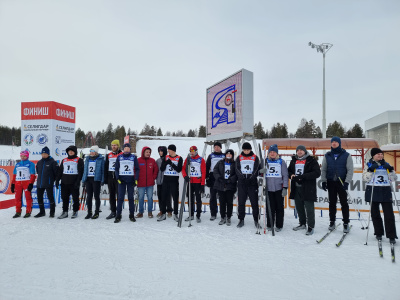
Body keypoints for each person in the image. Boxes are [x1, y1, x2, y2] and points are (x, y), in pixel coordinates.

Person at [363, 148, 397, 244]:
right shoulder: (368, 164)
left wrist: (390, 170)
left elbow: (394, 178)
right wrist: (370, 170)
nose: (380, 156)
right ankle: (378, 233)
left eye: (381, 154)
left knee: (389, 214)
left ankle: (391, 235)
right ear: (373, 156)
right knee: (375, 213)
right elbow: (365, 178)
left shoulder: (387, 164)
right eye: (378, 154)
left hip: (385, 190)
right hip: (373, 190)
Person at [321, 136, 353, 233]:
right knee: (332, 203)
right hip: (331, 182)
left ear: (339, 143)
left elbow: (350, 170)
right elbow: (324, 169)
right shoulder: (327, 155)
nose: (334, 143)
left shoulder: (346, 155)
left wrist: (347, 182)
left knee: (344, 203)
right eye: (332, 142)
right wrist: (323, 181)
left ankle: (346, 223)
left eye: (336, 142)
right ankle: (332, 221)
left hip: (342, 182)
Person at [288, 145, 321, 235]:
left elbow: (317, 173)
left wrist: (304, 176)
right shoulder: (294, 160)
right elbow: (289, 171)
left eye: (301, 150)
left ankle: (311, 226)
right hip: (296, 187)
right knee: (299, 207)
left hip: (308, 187)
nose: (299, 152)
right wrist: (291, 175)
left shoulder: (311, 160)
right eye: (298, 150)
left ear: (305, 151)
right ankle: (302, 223)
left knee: (309, 208)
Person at [235, 142, 261, 228]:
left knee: (254, 203)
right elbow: (237, 169)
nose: (246, 151)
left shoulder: (255, 157)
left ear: (250, 150)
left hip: (252, 183)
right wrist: (243, 178)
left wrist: (250, 178)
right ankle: (241, 219)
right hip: (242, 183)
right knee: (241, 202)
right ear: (243, 150)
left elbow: (256, 169)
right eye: (245, 150)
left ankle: (256, 220)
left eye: (248, 150)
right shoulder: (239, 158)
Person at [265, 144, 288, 232]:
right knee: (270, 207)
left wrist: (285, 187)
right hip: (269, 189)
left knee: (279, 208)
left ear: (277, 153)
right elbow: (260, 174)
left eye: (274, 152)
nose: (272, 153)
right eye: (270, 152)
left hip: (279, 188)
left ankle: (279, 225)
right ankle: (270, 224)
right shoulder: (265, 161)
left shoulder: (281, 162)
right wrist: (261, 172)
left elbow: (285, 175)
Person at [56, 145, 84, 219]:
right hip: (64, 182)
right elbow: (60, 171)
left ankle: (75, 211)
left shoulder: (79, 160)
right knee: (64, 198)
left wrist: (78, 181)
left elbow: (81, 172)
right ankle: (65, 212)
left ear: (75, 152)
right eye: (69, 151)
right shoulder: (64, 160)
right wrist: (57, 180)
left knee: (75, 198)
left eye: (72, 151)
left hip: (74, 182)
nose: (70, 152)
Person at [114, 143, 140, 223]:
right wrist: (117, 177)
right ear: (123, 149)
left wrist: (136, 179)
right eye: (125, 148)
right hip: (121, 180)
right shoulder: (119, 157)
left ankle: (131, 215)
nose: (126, 149)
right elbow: (116, 168)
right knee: (120, 198)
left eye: (128, 148)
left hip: (130, 180)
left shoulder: (133, 157)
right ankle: (118, 215)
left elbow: (137, 168)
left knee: (131, 198)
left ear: (130, 149)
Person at [158, 144, 183, 221]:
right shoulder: (166, 157)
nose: (168, 151)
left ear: (173, 150)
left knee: (175, 197)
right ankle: (163, 214)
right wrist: (166, 163)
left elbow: (179, 169)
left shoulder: (179, 158)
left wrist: (171, 164)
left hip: (174, 180)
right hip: (166, 179)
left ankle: (175, 214)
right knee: (164, 196)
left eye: (169, 150)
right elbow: (162, 169)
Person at [182, 146, 206, 223]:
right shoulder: (188, 158)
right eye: (190, 151)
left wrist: (202, 183)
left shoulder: (201, 159)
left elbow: (203, 172)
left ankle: (198, 215)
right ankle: (191, 214)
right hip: (190, 182)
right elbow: (183, 169)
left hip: (198, 182)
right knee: (190, 199)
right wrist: (185, 176)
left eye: (193, 151)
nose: (192, 152)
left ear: (196, 151)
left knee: (198, 199)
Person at [213, 149, 237, 226]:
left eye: (230, 154)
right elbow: (215, 170)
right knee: (222, 202)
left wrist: (231, 180)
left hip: (230, 185)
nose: (229, 155)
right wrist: (219, 178)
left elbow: (237, 173)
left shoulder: (235, 163)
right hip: (221, 185)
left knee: (229, 202)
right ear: (225, 155)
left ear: (232, 156)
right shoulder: (220, 162)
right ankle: (222, 217)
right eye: (227, 154)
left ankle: (229, 217)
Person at [35, 146, 59, 218]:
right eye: (42, 154)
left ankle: (52, 213)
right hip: (40, 184)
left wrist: (51, 180)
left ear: (48, 154)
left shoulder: (53, 162)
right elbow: (38, 172)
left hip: (48, 184)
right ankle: (42, 212)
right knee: (39, 198)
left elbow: (56, 173)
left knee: (50, 198)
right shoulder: (39, 162)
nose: (44, 155)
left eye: (45, 154)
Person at [11, 150, 36, 218]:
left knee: (28, 197)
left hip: (26, 183)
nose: (23, 157)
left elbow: (33, 175)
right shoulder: (18, 164)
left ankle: (28, 211)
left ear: (27, 156)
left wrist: (31, 183)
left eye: (24, 156)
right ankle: (18, 212)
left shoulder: (31, 164)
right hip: (18, 183)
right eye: (21, 156)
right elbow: (14, 174)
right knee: (17, 198)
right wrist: (12, 184)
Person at [82, 145, 105, 219]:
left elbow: (103, 170)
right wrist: (83, 180)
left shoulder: (101, 159)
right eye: (90, 151)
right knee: (89, 196)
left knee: (96, 196)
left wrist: (102, 180)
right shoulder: (87, 159)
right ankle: (89, 212)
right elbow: (85, 170)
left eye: (93, 151)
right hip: (88, 179)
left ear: (96, 152)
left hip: (96, 179)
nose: (91, 153)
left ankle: (97, 212)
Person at [136, 146, 158, 218]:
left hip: (150, 184)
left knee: (150, 198)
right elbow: (134, 170)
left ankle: (150, 212)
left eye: (149, 152)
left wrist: (153, 178)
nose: (148, 153)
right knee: (141, 197)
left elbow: (156, 170)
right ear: (143, 152)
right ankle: (140, 212)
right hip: (141, 183)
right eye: (147, 152)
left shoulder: (152, 160)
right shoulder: (138, 160)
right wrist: (136, 178)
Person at [206, 142, 225, 221]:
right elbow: (207, 166)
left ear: (221, 148)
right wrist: (207, 177)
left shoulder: (224, 156)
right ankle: (213, 214)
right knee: (213, 197)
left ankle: (223, 214)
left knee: (222, 197)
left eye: (218, 147)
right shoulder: (211, 156)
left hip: (221, 178)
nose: (216, 148)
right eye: (215, 147)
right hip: (213, 177)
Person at [104, 140, 122, 220]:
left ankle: (119, 212)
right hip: (110, 177)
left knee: (119, 195)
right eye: (112, 145)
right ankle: (113, 211)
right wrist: (105, 178)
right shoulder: (109, 155)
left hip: (119, 178)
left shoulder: (122, 154)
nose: (113, 147)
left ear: (118, 146)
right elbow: (106, 167)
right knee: (111, 195)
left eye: (115, 145)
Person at [155, 146, 167, 217]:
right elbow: (156, 171)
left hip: (166, 181)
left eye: (162, 151)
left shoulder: (168, 159)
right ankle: (161, 210)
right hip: (159, 181)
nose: (160, 153)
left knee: (166, 197)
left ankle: (168, 210)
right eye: (159, 151)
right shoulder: (157, 161)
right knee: (160, 196)